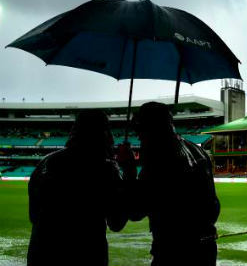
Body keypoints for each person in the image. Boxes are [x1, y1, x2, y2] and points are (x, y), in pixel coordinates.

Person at [27, 110, 134, 266]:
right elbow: (116, 223)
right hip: (86, 256)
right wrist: (129, 173)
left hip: (41, 255)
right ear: (103, 134)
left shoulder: (44, 162)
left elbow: (34, 216)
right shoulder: (105, 169)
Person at [130, 102, 220, 266]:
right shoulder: (197, 150)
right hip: (206, 249)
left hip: (173, 252)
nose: (139, 137)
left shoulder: (158, 158)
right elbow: (214, 206)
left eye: (140, 130)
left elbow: (135, 211)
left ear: (151, 128)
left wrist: (128, 170)